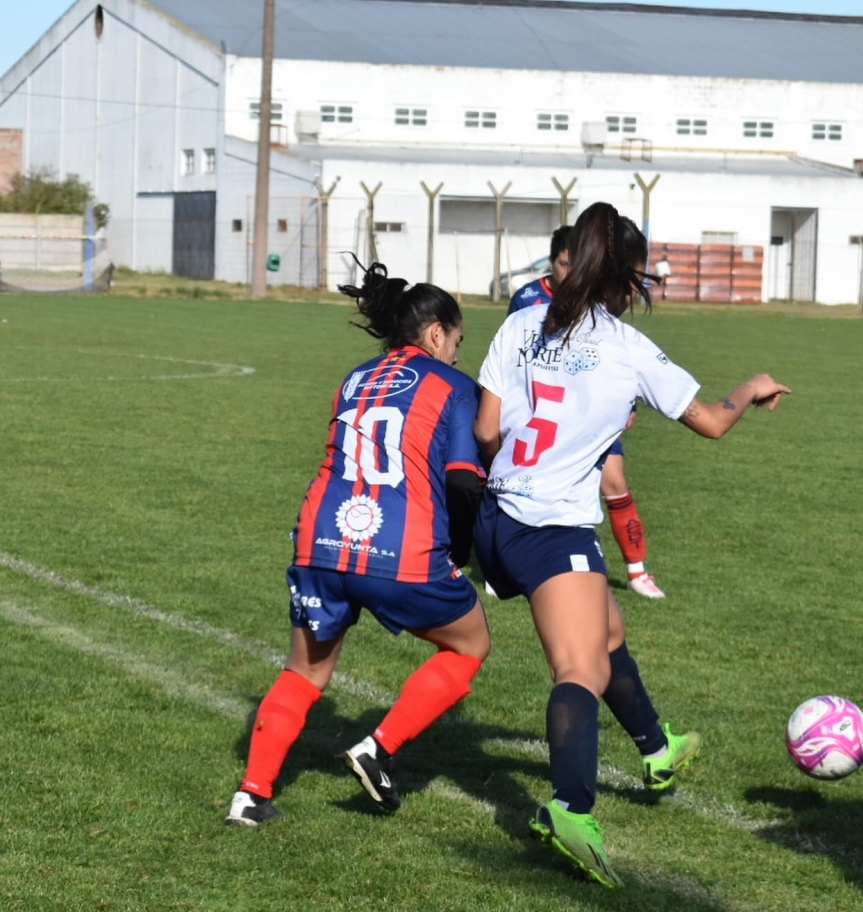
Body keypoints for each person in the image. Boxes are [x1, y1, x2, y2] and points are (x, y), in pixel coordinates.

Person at [473, 202, 789, 887]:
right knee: (579, 668)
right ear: (624, 278)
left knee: (606, 628)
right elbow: (710, 421)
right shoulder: (625, 347)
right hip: (550, 527)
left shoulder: (521, 324)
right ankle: (570, 809)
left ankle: (657, 748)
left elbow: (487, 431)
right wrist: (751, 387)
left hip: (496, 521)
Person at [226, 261, 490, 825]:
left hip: (320, 534)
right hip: (403, 545)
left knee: (304, 671)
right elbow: (465, 477)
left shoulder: (353, 378)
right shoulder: (454, 386)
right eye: (457, 340)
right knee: (470, 645)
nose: (458, 354)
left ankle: (249, 796)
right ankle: (378, 747)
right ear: (437, 331)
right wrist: (463, 552)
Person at [508, 224, 664, 599]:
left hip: (591, 411)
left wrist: (628, 402)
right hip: (545, 413)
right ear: (552, 262)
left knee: (615, 482)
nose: (569, 273)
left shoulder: (600, 301)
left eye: (575, 265)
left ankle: (638, 571)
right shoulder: (526, 299)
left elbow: (618, 357)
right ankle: (513, 567)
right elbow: (516, 357)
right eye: (563, 264)